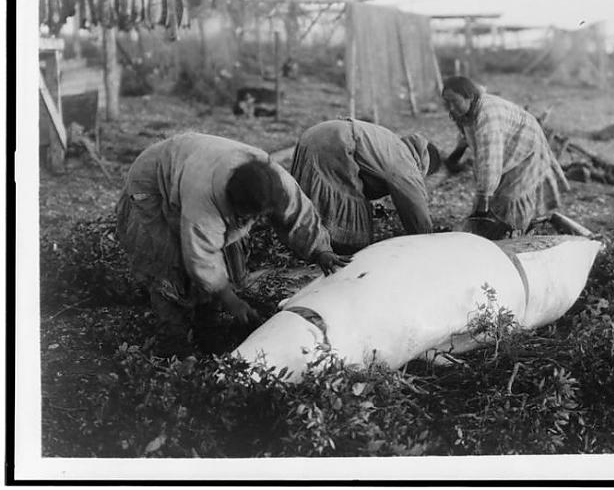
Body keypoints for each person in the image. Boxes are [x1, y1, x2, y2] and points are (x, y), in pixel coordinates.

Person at [115, 132, 350, 354]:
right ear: (232, 203)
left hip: (192, 160)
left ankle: (208, 324)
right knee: (168, 262)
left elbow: (299, 213)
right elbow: (202, 257)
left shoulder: (274, 181)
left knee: (224, 261)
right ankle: (174, 342)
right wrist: (231, 301)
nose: (254, 221)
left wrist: (321, 250)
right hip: (153, 184)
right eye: (247, 216)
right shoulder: (203, 200)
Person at [441, 76, 568, 239]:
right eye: (446, 102)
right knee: (492, 195)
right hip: (507, 145)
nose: (450, 107)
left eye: (454, 101)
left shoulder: (487, 116)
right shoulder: (466, 111)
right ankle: (492, 230)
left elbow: (489, 161)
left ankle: (516, 235)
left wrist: (484, 198)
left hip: (526, 146)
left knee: (511, 196)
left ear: (470, 97)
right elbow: (472, 141)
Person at [290, 118, 442, 254]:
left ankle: (310, 243)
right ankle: (336, 250)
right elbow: (414, 203)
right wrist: (427, 241)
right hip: (337, 143)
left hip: (314, 134)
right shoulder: (406, 161)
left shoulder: (393, 142)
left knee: (316, 201)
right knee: (356, 237)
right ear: (424, 164)